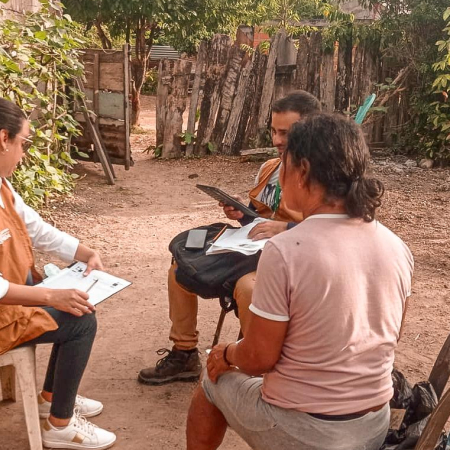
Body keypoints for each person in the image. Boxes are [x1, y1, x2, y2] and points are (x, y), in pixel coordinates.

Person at [153, 112, 413, 450]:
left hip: (311, 442)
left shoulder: (287, 250)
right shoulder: (394, 245)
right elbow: (389, 335)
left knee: (213, 379)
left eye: (287, 163)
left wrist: (223, 354)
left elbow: (256, 358)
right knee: (276, 378)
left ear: (303, 171)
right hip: (373, 425)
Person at [0, 97, 116, 450]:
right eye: (24, 143)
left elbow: (37, 229)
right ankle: (60, 426)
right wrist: (49, 295)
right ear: (3, 139)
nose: (23, 153)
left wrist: (83, 251)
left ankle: (50, 398)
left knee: (75, 303)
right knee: (81, 320)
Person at [137, 91, 322, 386]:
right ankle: (184, 353)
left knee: (250, 288)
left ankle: (259, 366)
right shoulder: (270, 169)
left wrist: (285, 230)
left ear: (312, 130)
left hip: (292, 261)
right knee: (182, 267)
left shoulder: (323, 176)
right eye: (273, 131)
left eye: (285, 133)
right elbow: (262, 216)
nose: (276, 140)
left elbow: (332, 230)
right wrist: (243, 212)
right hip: (253, 249)